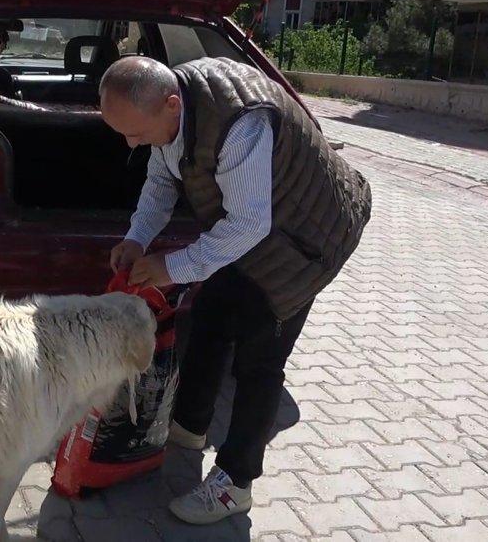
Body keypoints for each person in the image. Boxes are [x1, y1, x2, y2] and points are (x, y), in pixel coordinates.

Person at [98, 55, 372, 525]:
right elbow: (163, 178)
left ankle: (235, 484)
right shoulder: (174, 110)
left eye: (136, 133)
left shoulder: (240, 125)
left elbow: (248, 224)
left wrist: (171, 266)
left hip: (309, 238)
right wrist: (137, 237)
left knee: (260, 358)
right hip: (259, 226)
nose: (130, 143)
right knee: (209, 316)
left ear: (169, 104)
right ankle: (187, 429)